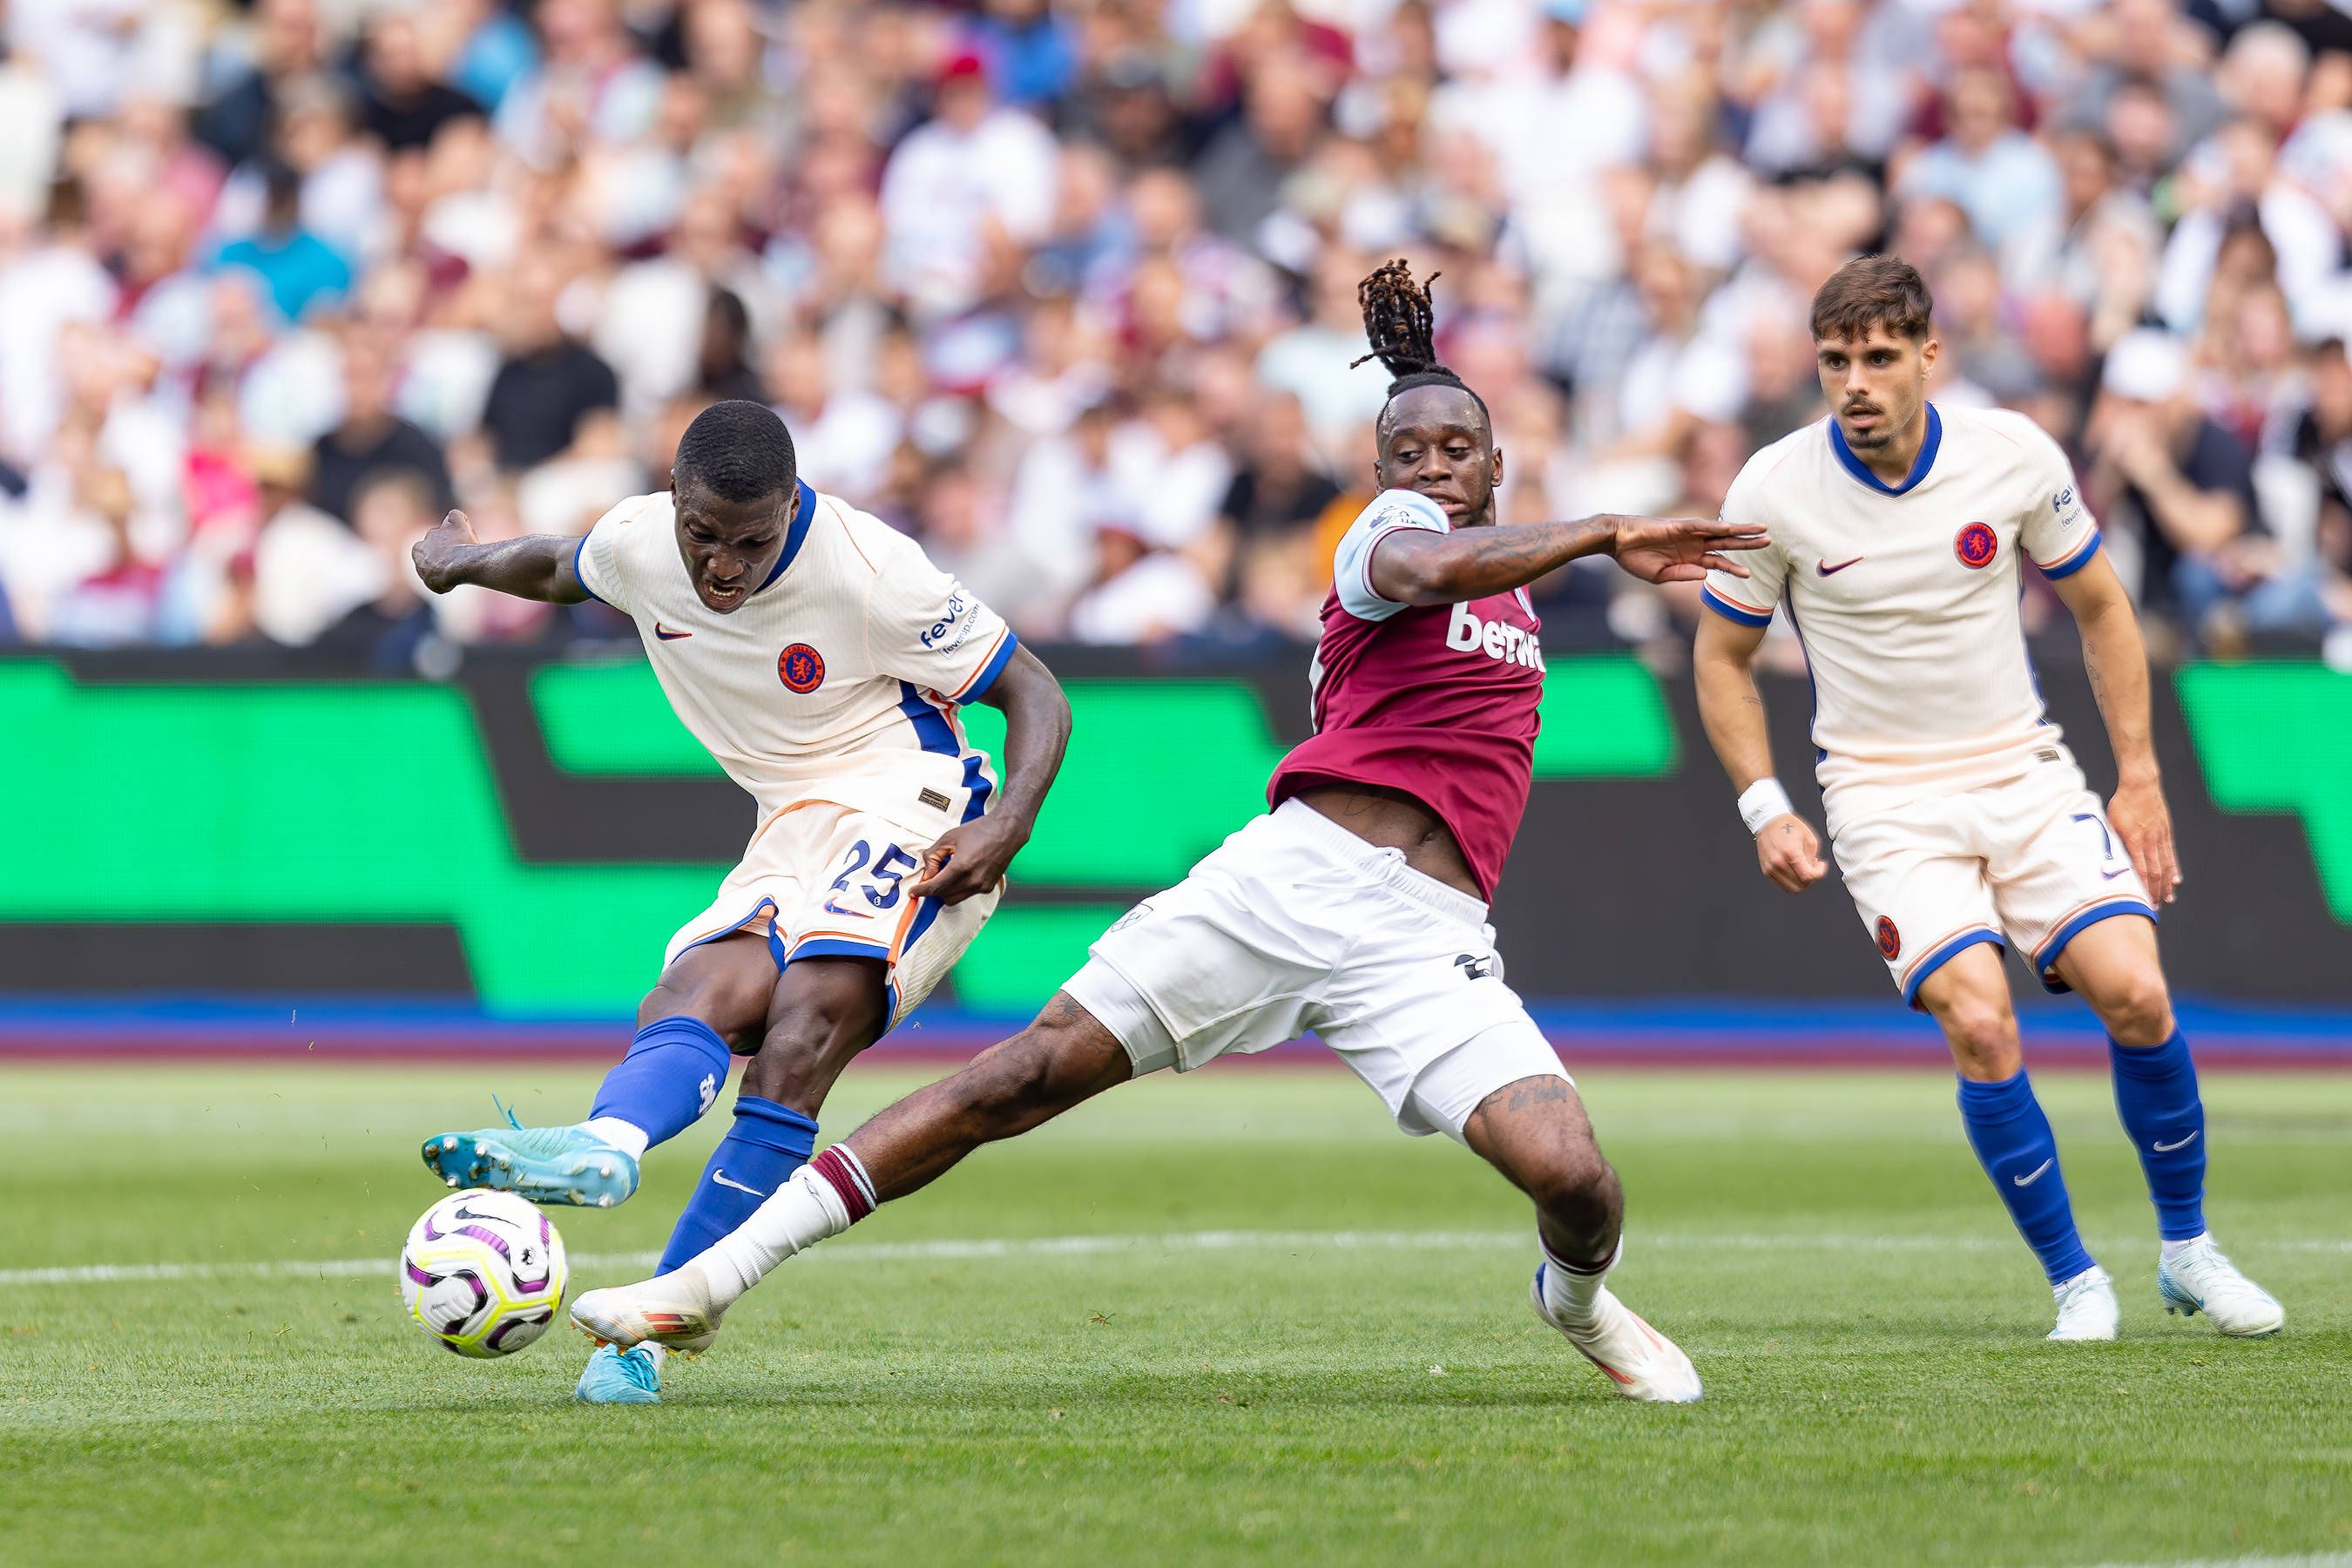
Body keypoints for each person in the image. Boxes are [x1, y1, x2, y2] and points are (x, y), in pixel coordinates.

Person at [568, 261, 1768, 1403]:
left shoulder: (1504, 577)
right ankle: (701, 1285)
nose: (1433, 467)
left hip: (1428, 935)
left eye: (1458, 450)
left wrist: (1573, 539)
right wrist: (1603, 530)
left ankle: (1578, 1304)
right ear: (1378, 468)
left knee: (1576, 1178)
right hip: (1288, 882)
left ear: (1498, 460)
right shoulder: (1378, 542)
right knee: (1018, 1079)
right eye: (1408, 451)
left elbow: (1476, 569)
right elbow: (1421, 563)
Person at [409, 400, 1072, 1403]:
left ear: (791, 506)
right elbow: (555, 566)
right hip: (786, 823)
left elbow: (1035, 690)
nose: (723, 566)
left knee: (801, 1037)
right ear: (673, 503)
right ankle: (610, 1143)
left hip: (912, 796)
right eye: (704, 536)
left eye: (753, 542)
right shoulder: (640, 541)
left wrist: (1008, 824)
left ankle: (645, 1335)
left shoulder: (872, 570)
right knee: (693, 992)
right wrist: (459, 560)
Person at [1689, 255, 2283, 1342]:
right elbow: (1721, 658)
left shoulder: (2011, 456)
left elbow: (2105, 611)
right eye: (1835, 361)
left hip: (2021, 770)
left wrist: (2138, 778)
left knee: (2139, 996)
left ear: (1929, 356)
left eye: (1878, 358)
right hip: (1880, 797)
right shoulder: (1773, 489)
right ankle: (2075, 1281)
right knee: (1978, 1014)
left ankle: (2190, 1251)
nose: (1856, 382)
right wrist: (1764, 802)